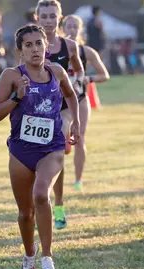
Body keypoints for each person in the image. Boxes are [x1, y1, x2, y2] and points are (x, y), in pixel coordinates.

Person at [0, 24, 80, 269]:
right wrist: (17, 97)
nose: (35, 49)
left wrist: (74, 123)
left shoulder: (57, 72)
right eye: (28, 45)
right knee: (24, 213)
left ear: (46, 46)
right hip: (21, 151)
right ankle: (30, 254)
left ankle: (47, 257)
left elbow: (71, 96)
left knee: (41, 194)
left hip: (52, 147)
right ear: (19, 51)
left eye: (38, 44)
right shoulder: (11, 75)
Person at [36, 0, 85, 230]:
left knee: (58, 144)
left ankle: (58, 205)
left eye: (52, 16)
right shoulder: (31, 45)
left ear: (59, 18)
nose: (48, 21)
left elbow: (79, 69)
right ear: (37, 18)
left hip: (63, 108)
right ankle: (39, 203)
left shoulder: (69, 46)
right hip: (37, 110)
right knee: (38, 158)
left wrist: (76, 82)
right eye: (44, 16)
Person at [61, 15, 110, 192]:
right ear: (63, 28)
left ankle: (77, 180)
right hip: (60, 100)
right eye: (69, 26)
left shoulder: (86, 51)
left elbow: (104, 74)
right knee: (58, 139)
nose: (72, 30)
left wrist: (88, 78)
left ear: (80, 30)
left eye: (75, 27)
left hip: (81, 98)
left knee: (79, 137)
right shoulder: (54, 50)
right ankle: (53, 177)